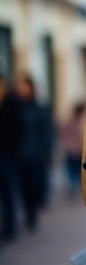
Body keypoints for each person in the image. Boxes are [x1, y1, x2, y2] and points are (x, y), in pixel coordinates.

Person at [14, 72, 55, 231]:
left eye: (25, 85)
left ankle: (34, 210)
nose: (21, 89)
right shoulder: (16, 107)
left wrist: (47, 150)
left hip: (36, 154)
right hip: (19, 154)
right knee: (23, 187)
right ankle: (28, 212)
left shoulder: (39, 107)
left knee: (36, 185)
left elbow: (46, 130)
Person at [0, 74, 24, 243]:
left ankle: (10, 226)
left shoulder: (12, 104)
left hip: (8, 156)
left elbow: (18, 130)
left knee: (8, 191)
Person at [58, 102, 86, 198]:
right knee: (73, 170)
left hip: (77, 150)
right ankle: (73, 187)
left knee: (75, 170)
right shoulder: (73, 120)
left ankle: (75, 187)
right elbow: (63, 134)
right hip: (73, 149)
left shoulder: (80, 120)